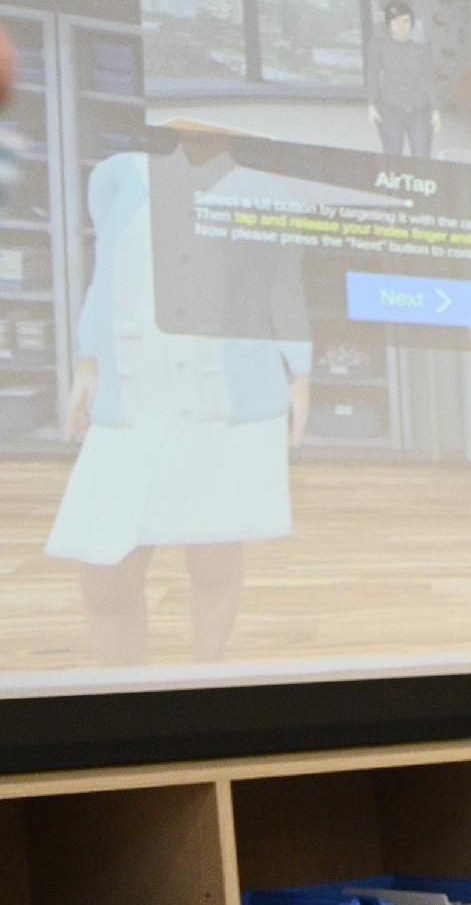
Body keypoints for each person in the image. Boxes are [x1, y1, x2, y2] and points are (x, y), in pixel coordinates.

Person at [51, 126, 310, 664]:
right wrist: (89, 357)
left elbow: (281, 287)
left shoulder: (268, 193)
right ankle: (125, 698)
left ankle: (205, 681)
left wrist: (300, 372)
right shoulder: (119, 175)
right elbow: (105, 274)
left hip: (227, 393)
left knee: (215, 560)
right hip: (137, 390)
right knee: (106, 574)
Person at [369, 0, 437, 162]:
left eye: (406, 20)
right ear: (388, 23)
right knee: (393, 158)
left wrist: (436, 109)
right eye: (395, 20)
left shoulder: (421, 50)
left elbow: (429, 79)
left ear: (412, 23)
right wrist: (371, 104)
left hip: (419, 111)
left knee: (422, 159)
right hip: (389, 111)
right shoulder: (378, 46)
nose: (401, 25)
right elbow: (372, 75)